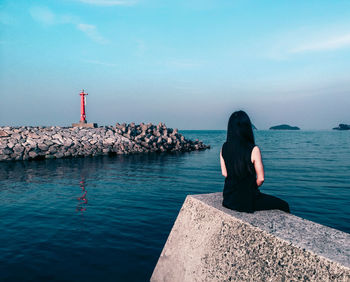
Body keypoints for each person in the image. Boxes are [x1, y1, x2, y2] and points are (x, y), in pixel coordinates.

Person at [220, 110, 290, 213]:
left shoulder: (224, 147)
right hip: (246, 201)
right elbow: (261, 179)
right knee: (284, 205)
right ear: (247, 128)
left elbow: (225, 173)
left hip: (228, 199)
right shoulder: (253, 149)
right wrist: (249, 188)